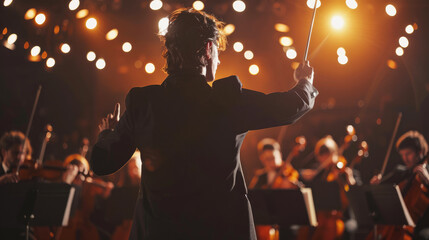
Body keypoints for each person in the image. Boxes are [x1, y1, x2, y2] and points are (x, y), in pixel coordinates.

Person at [91, 8, 317, 240]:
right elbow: (289, 107)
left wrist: (107, 135)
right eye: (218, 51)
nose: (218, 60)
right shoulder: (226, 99)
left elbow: (102, 162)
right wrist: (305, 82)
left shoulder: (143, 103)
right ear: (208, 49)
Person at [369, 130, 429, 240]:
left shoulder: (426, 173)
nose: (405, 159)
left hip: (423, 225)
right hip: (399, 225)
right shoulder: (401, 172)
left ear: (420, 152)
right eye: (402, 155)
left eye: (408, 154)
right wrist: (378, 184)